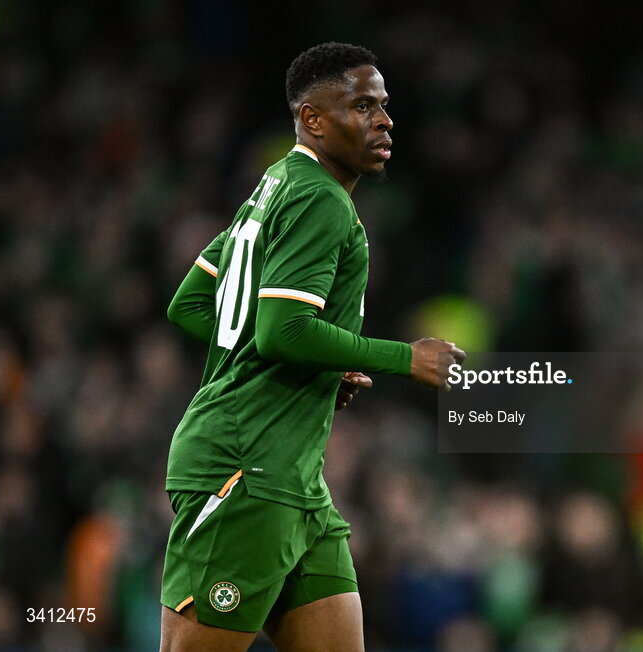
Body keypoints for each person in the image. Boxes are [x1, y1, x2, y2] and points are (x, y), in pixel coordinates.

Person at [159, 42, 465, 652]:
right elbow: (282, 331)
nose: (384, 120)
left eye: (383, 105)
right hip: (245, 471)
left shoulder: (276, 185)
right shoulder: (320, 199)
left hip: (294, 481)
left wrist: (325, 362)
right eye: (362, 105)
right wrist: (405, 357)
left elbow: (193, 304)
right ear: (313, 120)